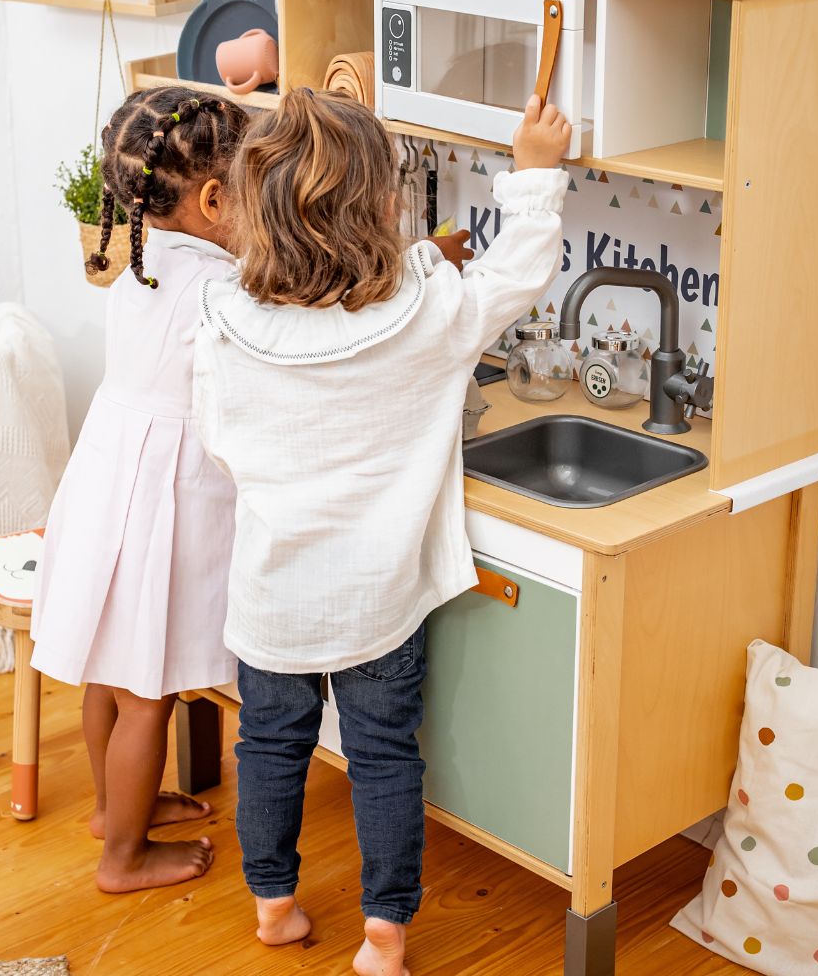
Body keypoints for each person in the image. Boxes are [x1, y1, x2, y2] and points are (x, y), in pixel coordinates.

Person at [192, 88, 575, 975]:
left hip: (272, 597)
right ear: (384, 205)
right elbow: (518, 272)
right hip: (379, 600)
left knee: (270, 749)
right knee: (384, 758)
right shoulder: (431, 315)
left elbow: (219, 445)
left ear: (252, 206)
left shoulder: (223, 328)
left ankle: (275, 907)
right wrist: (536, 171)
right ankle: (385, 938)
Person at [30, 86, 248, 893]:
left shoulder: (135, 259)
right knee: (149, 693)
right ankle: (122, 856)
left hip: (108, 474)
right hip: (164, 495)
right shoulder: (220, 289)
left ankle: (115, 808)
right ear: (215, 199)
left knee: (108, 672)